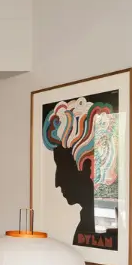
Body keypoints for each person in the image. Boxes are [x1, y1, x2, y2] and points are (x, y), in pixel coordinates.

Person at [42, 96, 118, 250]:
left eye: (62, 167)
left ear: (88, 166)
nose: (57, 182)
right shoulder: (92, 221)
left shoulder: (102, 224)